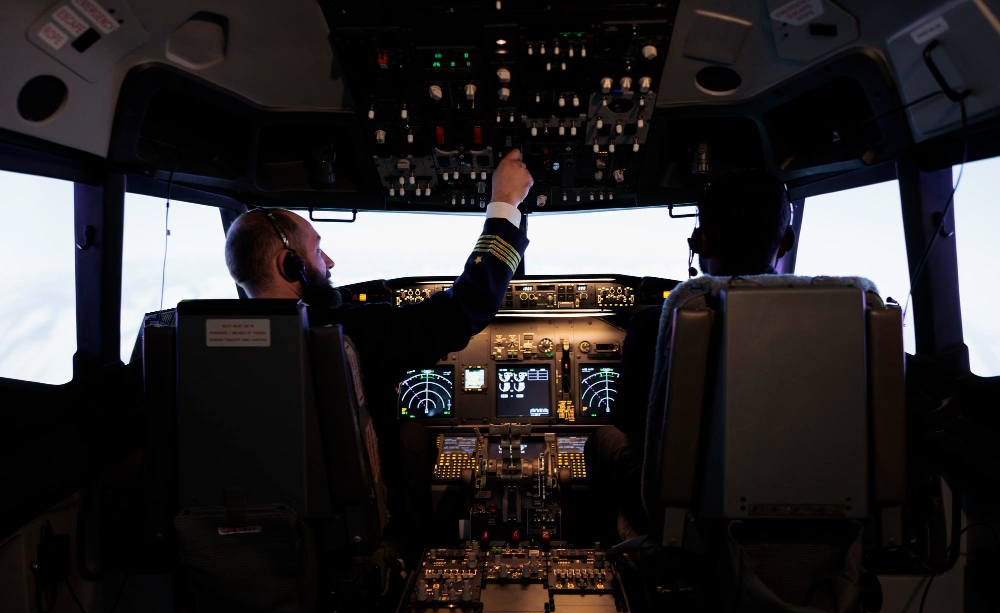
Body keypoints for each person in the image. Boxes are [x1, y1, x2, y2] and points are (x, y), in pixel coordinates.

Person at [223, 148, 534, 546]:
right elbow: (463, 310)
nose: (330, 262)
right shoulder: (350, 334)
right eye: (317, 250)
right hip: (354, 537)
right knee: (414, 438)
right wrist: (505, 203)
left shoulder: (194, 350)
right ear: (290, 266)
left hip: (255, 537)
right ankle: (417, 549)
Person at [585, 168, 796, 536]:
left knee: (604, 440)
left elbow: (633, 424)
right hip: (794, 498)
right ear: (786, 242)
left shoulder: (659, 322)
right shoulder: (839, 323)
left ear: (700, 242)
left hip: (687, 513)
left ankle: (633, 549)